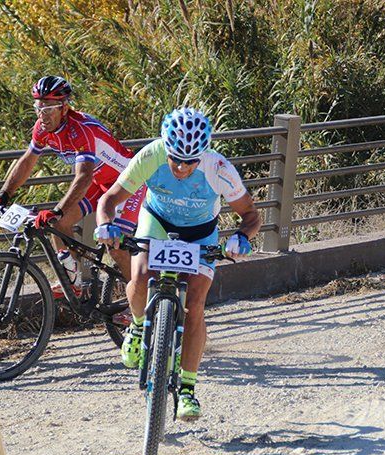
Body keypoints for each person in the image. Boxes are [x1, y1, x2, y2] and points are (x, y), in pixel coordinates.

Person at [94, 107, 262, 421]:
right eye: (176, 160)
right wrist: (106, 225)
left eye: (191, 161)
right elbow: (109, 200)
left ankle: (187, 389)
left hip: (200, 234)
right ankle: (136, 327)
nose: (183, 168)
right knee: (141, 274)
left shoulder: (219, 168)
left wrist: (242, 236)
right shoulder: (151, 155)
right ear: (166, 149)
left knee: (195, 304)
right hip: (156, 222)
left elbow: (251, 216)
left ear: (204, 154)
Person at [0, 75, 145, 296]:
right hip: (100, 182)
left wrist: (57, 209)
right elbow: (27, 161)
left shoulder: (80, 129)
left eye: (49, 108)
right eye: (39, 107)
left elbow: (83, 177)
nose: (43, 114)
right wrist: (4, 194)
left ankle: (141, 306)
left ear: (64, 108)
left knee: (114, 245)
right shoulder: (42, 128)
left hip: (129, 183)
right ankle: (74, 281)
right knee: (59, 224)